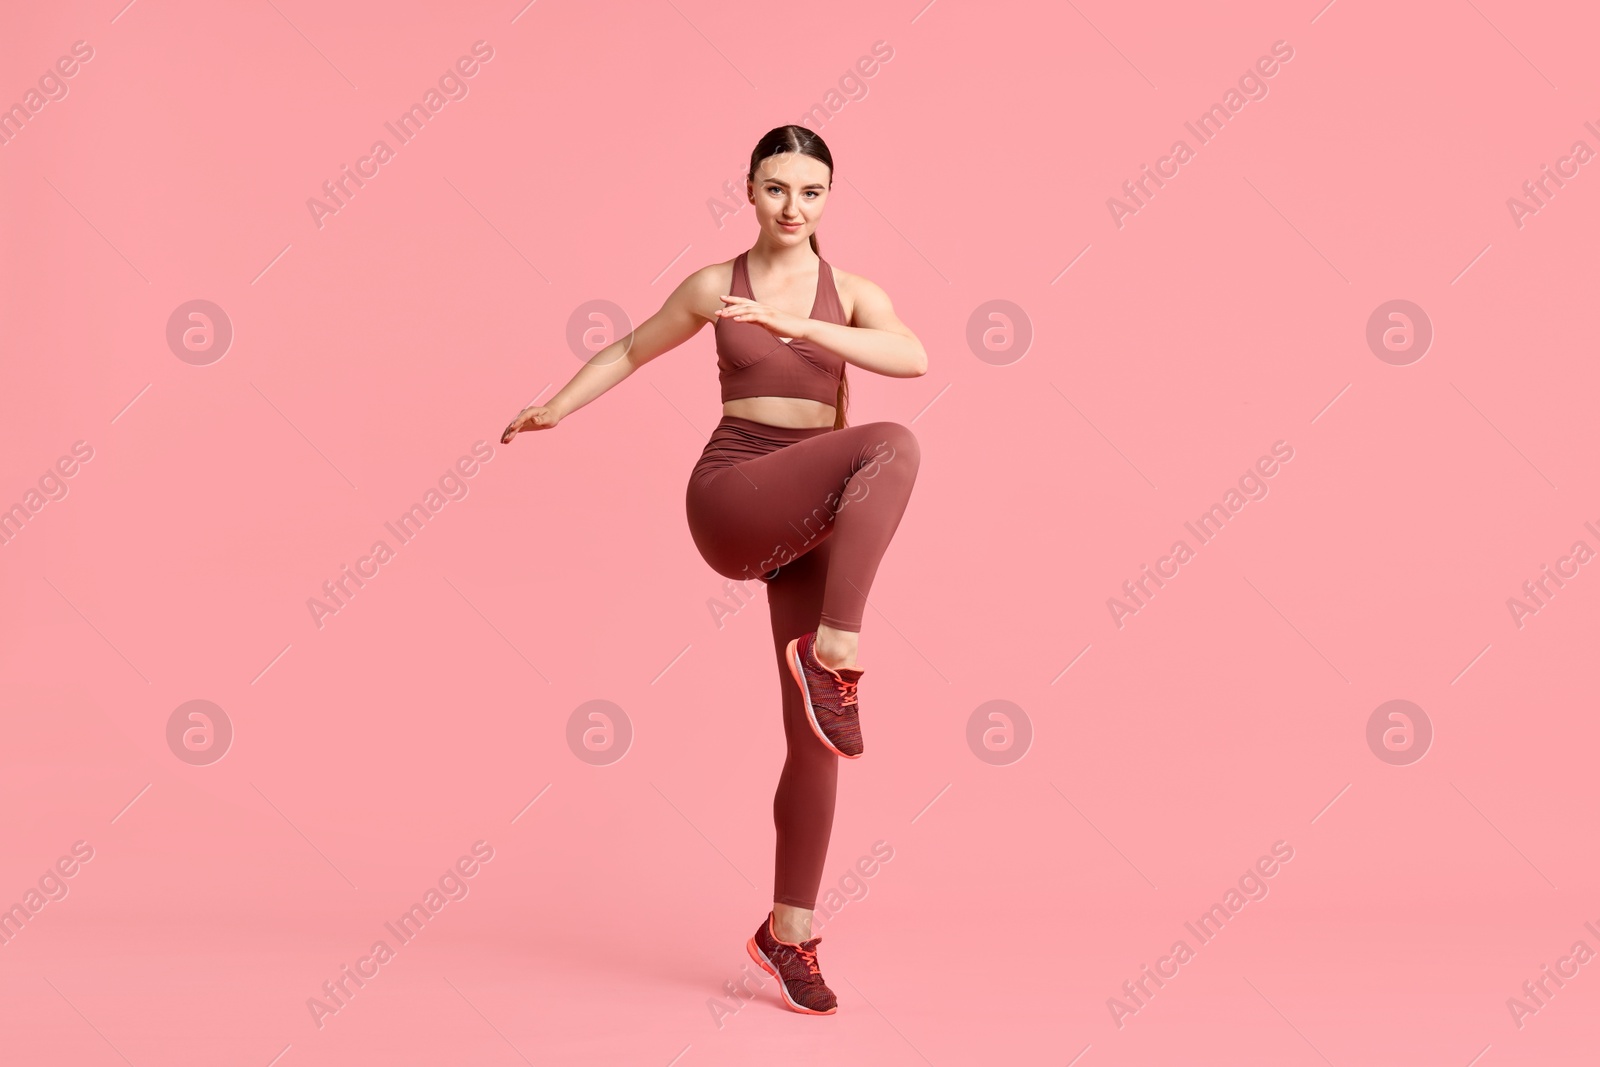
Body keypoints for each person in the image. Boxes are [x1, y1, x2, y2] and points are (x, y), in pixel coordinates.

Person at [500, 125, 925, 1016]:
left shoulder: (851, 293)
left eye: (810, 193)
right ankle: (837, 652)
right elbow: (629, 349)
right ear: (749, 189)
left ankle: (789, 932)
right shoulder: (712, 286)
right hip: (734, 497)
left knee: (816, 744)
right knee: (890, 443)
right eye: (776, 189)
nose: (791, 208)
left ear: (828, 199)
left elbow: (912, 356)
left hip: (810, 517)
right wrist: (556, 406)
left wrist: (798, 322)